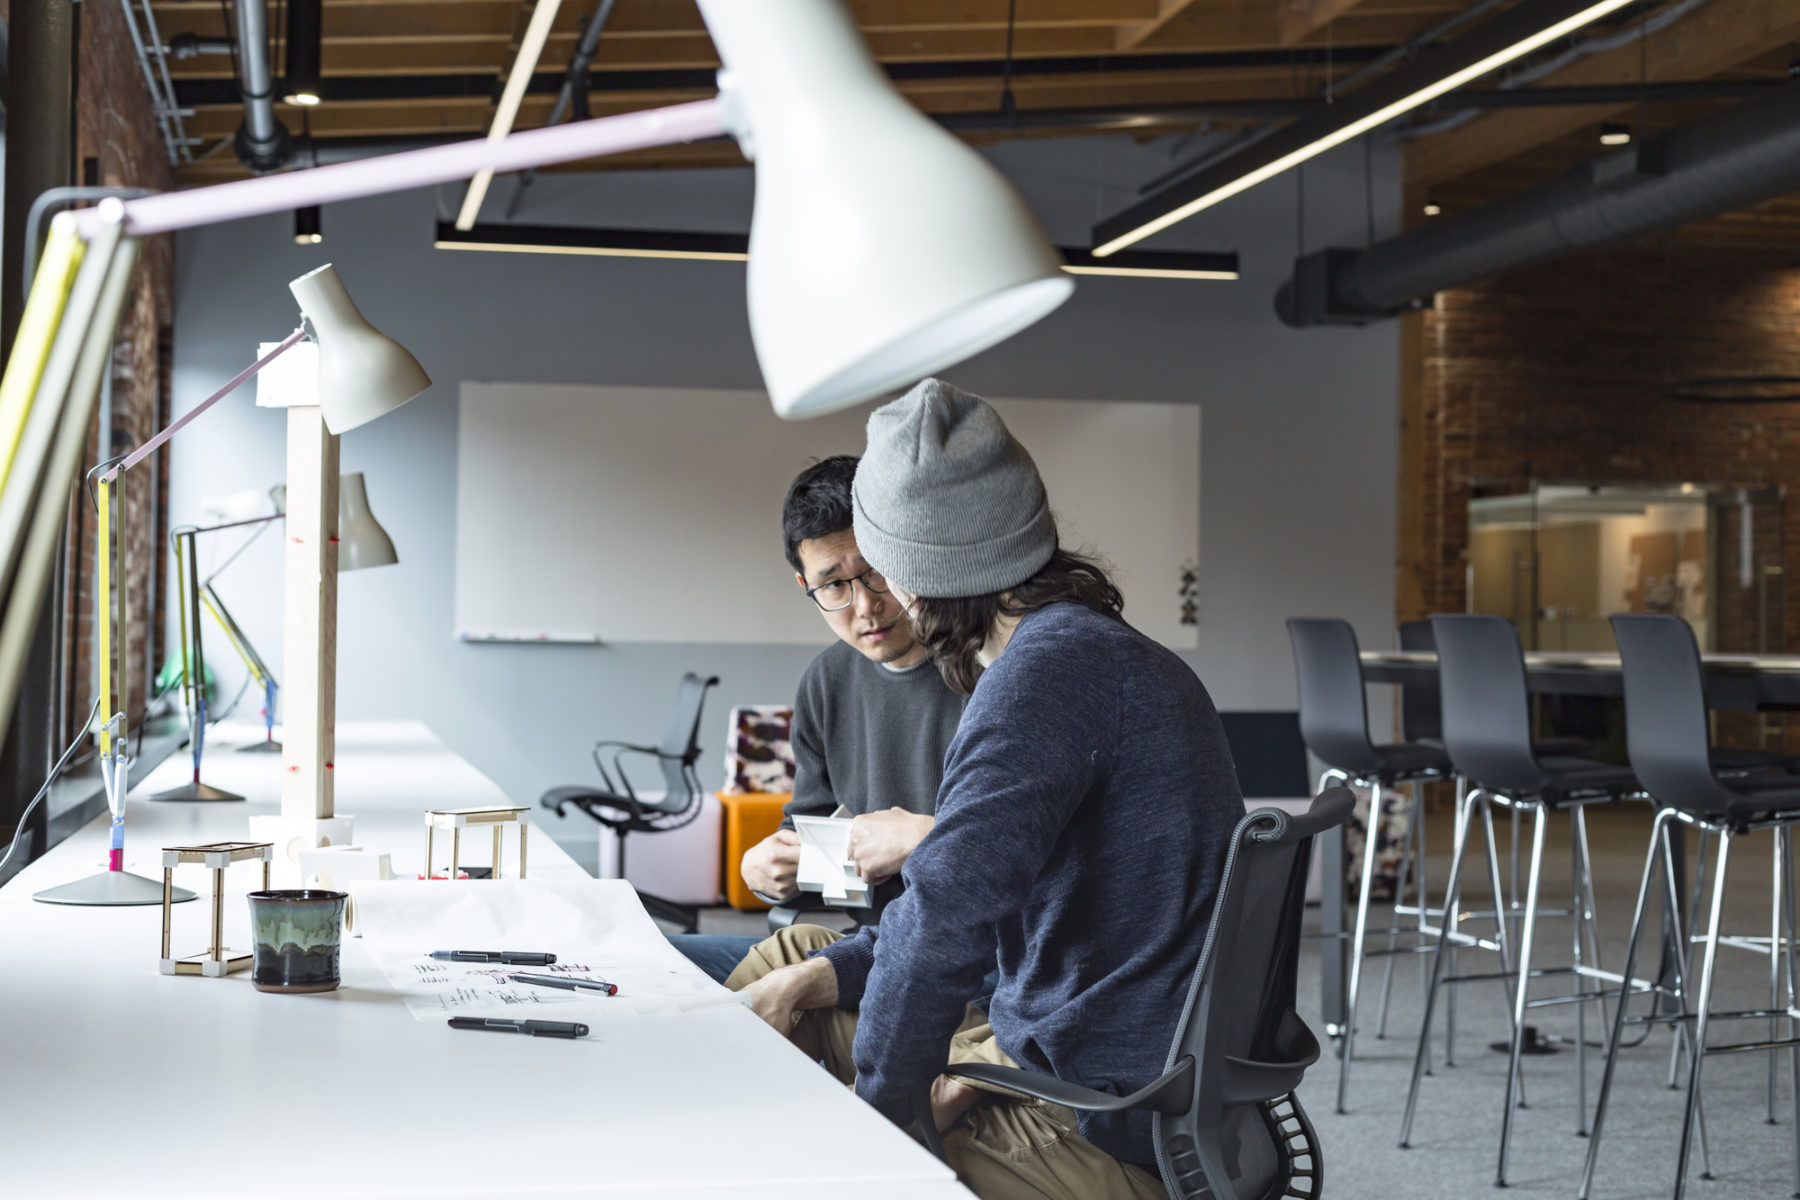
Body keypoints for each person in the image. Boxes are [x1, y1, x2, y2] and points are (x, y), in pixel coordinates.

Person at [728, 379, 1243, 1200]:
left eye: (882, 570)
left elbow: (943, 924)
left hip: (1099, 1117)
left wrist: (887, 1125)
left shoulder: (1040, 684)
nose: (871, 603)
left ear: (916, 569)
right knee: (774, 996)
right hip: (1121, 1077)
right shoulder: (1091, 651)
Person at [670, 455, 965, 983]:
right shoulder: (826, 681)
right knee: (660, 963)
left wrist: (928, 835)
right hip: (867, 947)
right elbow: (810, 829)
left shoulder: (985, 670)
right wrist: (768, 872)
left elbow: (1037, 856)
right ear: (805, 584)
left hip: (964, 958)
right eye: (833, 586)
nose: (866, 607)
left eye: (875, 572)